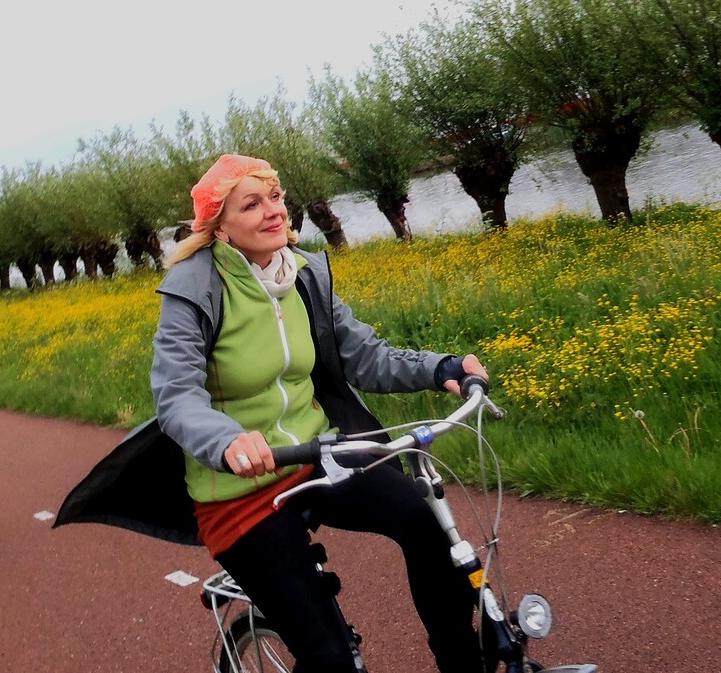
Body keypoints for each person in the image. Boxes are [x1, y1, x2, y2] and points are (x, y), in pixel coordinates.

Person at [55, 154, 491, 672]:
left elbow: (366, 357)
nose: (273, 211)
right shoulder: (195, 289)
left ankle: (463, 664)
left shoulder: (303, 275)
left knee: (427, 528)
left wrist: (440, 367)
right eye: (252, 204)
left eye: (276, 197)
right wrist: (228, 441)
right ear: (219, 227)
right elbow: (176, 396)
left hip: (317, 457)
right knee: (329, 658)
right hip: (241, 493)